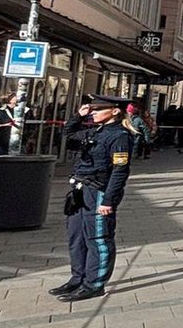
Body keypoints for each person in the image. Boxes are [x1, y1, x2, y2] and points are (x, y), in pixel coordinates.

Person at [48, 95, 136, 302]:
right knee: (76, 236)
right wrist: (78, 117)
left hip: (98, 191)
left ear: (115, 111)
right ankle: (77, 279)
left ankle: (94, 284)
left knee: (97, 238)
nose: (93, 112)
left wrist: (109, 201)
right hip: (80, 189)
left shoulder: (120, 136)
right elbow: (67, 136)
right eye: (92, 109)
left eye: (98, 109)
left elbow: (120, 171)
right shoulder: (98, 130)